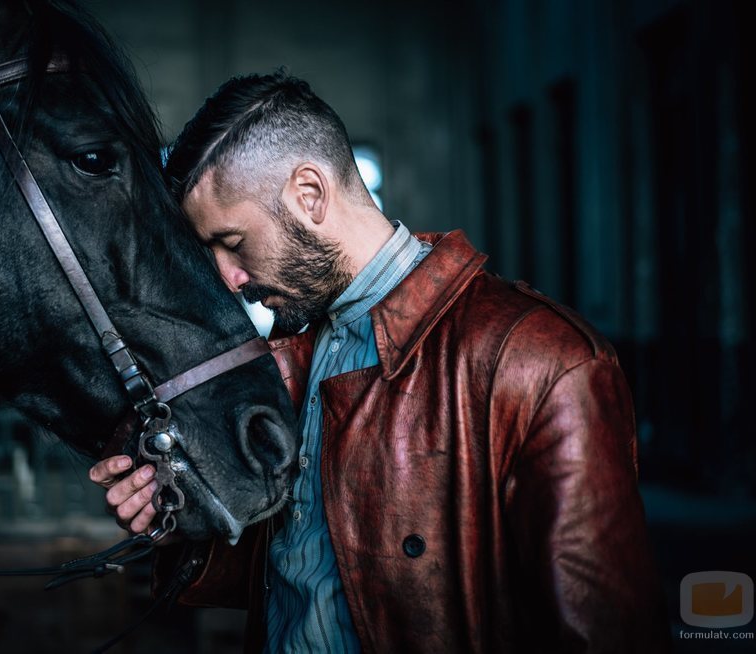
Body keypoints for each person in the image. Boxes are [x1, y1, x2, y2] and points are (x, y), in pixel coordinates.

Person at [89, 72, 670, 653]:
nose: (228, 278)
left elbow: (603, 633)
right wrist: (179, 516)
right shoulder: (290, 355)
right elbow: (295, 568)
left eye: (234, 243)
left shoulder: (542, 360)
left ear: (309, 195)